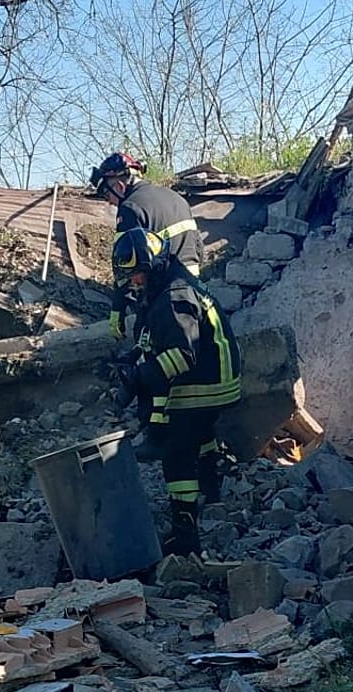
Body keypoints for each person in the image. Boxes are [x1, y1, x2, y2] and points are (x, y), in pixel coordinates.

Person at [110, 227, 241, 557]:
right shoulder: (168, 284)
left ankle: (185, 537)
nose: (134, 283)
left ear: (152, 266)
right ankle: (213, 490)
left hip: (207, 383)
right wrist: (132, 360)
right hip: (216, 376)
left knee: (177, 452)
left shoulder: (173, 294)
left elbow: (182, 355)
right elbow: (156, 340)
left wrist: (139, 378)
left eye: (137, 275)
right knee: (197, 431)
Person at [90, 153, 204, 343]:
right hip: (193, 287)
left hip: (163, 293)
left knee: (150, 348)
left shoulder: (130, 208)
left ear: (119, 186)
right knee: (190, 346)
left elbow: (124, 263)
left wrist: (118, 308)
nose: (109, 201)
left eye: (106, 194)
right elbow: (198, 247)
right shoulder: (175, 197)